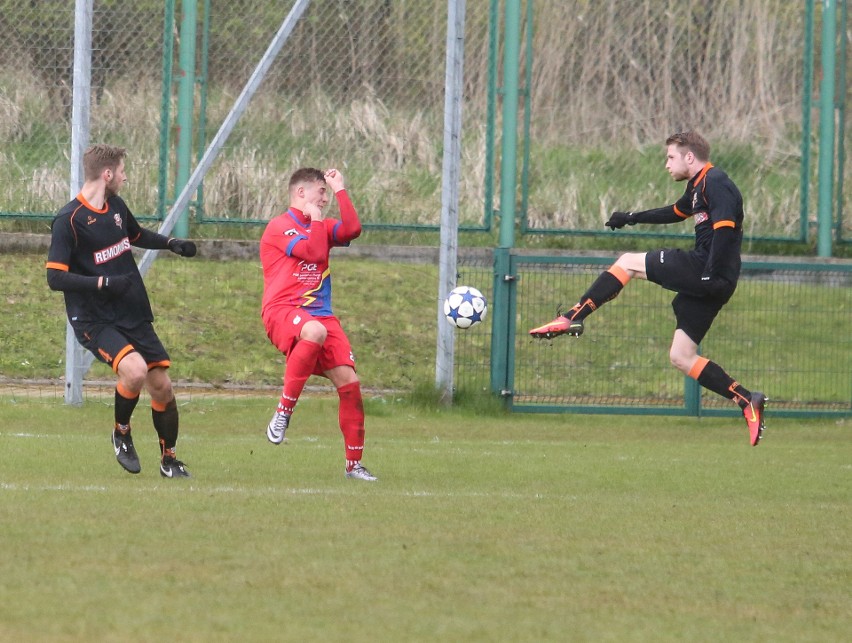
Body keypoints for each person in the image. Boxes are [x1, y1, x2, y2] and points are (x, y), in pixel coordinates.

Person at [529, 131, 766, 446]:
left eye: (670, 157)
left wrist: (708, 272)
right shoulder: (697, 187)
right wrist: (632, 218)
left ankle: (574, 315)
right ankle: (747, 400)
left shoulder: (716, 182)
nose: (667, 164)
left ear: (689, 157)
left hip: (707, 271)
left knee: (627, 262)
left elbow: (725, 229)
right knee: (681, 356)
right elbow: (674, 212)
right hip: (715, 281)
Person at [46, 144, 198, 476]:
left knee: (162, 386)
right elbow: (54, 277)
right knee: (134, 371)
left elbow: (136, 234)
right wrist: (103, 284)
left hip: (131, 310)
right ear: (107, 174)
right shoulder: (68, 220)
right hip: (94, 318)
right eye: (123, 171)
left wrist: (171, 243)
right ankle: (122, 432)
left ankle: (169, 460)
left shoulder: (115, 205)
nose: (126, 177)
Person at [260, 167, 377, 481]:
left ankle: (354, 465)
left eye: (327, 193)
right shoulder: (279, 227)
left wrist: (341, 190)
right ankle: (283, 413)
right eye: (320, 191)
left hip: (321, 314)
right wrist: (314, 221)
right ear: (301, 193)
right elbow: (312, 251)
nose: (324, 198)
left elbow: (353, 229)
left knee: (349, 384)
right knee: (315, 331)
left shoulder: (320, 225)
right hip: (283, 309)